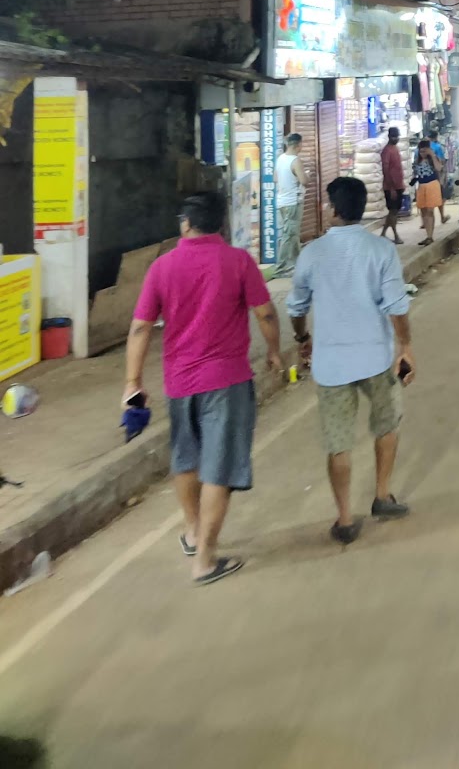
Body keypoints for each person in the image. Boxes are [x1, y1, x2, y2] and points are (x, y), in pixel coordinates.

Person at [125, 190, 282, 585]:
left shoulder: (162, 267)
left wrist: (133, 382)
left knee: (186, 457)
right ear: (221, 223)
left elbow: (141, 326)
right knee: (220, 467)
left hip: (179, 383)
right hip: (226, 381)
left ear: (185, 223)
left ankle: (193, 532)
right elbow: (264, 313)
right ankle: (205, 561)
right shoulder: (238, 261)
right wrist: (275, 352)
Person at [287, 176, 415, 545]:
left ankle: (344, 518)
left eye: (328, 205)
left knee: (338, 443)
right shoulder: (380, 251)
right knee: (387, 424)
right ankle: (382, 494)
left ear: (334, 210)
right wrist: (405, 347)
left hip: (331, 366)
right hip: (375, 357)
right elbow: (396, 306)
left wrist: (302, 338)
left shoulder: (312, 253)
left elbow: (296, 307)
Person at [273, 132, 307, 277]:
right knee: (289, 235)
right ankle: (280, 268)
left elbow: (275, 178)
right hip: (293, 202)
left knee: (292, 234)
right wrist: (307, 175)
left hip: (282, 201)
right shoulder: (295, 161)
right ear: (298, 145)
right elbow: (304, 181)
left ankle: (299, 264)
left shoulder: (280, 158)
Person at [411, 140, 443, 245]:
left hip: (432, 185)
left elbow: (439, 168)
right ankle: (428, 235)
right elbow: (415, 174)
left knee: (430, 211)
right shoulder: (416, 161)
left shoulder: (433, 159)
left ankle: (430, 236)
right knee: (424, 211)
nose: (423, 153)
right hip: (421, 186)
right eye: (421, 151)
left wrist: (432, 155)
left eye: (425, 151)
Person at [379, 127, 407, 243]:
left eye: (397, 136)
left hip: (398, 185)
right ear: (389, 137)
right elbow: (386, 170)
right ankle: (395, 235)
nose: (396, 138)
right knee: (393, 211)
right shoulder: (387, 151)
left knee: (394, 212)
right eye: (394, 136)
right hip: (391, 187)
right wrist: (392, 188)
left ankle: (383, 234)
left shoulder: (395, 149)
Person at [426, 130, 450, 221]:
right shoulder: (437, 147)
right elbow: (441, 161)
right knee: (441, 197)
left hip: (424, 176)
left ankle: (424, 221)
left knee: (425, 199)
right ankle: (442, 217)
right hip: (437, 175)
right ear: (436, 137)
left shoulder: (421, 147)